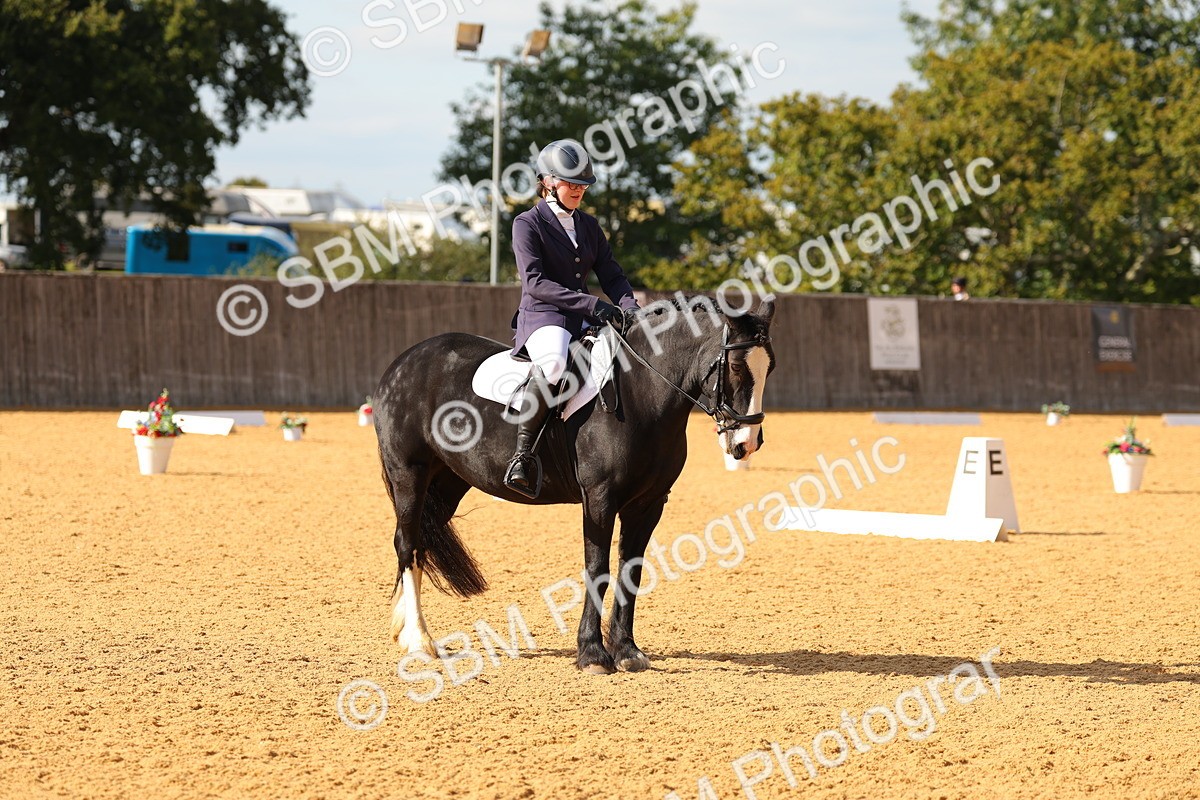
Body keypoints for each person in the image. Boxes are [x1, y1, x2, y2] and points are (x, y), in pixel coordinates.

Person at [504, 139, 640, 498]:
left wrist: (632, 310)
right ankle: (522, 457)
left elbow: (612, 275)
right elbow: (535, 283)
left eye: (583, 185)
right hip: (544, 317)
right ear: (548, 181)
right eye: (571, 183)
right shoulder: (527, 224)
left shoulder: (590, 226)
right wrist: (591, 305)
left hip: (583, 318)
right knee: (552, 365)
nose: (579, 190)